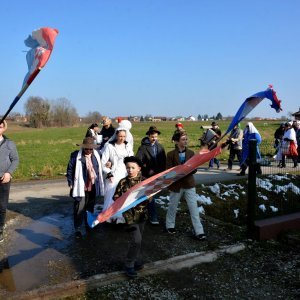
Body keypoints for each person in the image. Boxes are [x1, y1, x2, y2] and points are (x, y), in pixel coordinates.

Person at [165, 131, 206, 241]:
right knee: (172, 206)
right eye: (183, 139)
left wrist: (190, 169)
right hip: (176, 185)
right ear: (177, 141)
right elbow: (168, 170)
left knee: (193, 208)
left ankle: (199, 231)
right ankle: (170, 226)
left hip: (189, 184)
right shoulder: (170, 154)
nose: (185, 141)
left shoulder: (191, 153)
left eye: (186, 139)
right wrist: (178, 172)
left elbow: (195, 168)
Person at [113, 156, 147, 278]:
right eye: (128, 168)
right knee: (136, 240)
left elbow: (150, 197)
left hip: (142, 215)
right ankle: (129, 264)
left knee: (138, 240)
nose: (130, 170)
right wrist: (123, 201)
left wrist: (146, 198)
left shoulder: (144, 181)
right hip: (129, 217)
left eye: (133, 167)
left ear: (139, 168)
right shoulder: (123, 182)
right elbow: (116, 197)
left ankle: (134, 259)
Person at [66, 137, 104, 237]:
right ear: (83, 148)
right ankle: (77, 228)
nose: (88, 151)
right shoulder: (75, 156)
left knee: (90, 206)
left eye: (91, 149)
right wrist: (70, 182)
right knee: (79, 207)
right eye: (86, 149)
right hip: (80, 186)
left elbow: (101, 167)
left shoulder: (97, 155)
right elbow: (70, 170)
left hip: (92, 185)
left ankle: (89, 224)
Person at [101, 128, 134, 223]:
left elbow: (132, 160)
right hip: (114, 174)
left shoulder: (128, 146)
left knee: (123, 194)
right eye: (120, 136)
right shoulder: (110, 147)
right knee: (112, 194)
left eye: (124, 136)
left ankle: (121, 216)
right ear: (116, 135)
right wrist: (109, 173)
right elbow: (103, 163)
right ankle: (109, 215)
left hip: (125, 173)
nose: (122, 138)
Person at [136, 126, 166, 225]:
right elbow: (138, 161)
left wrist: (162, 173)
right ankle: (153, 217)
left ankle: (147, 213)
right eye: (152, 136)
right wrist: (147, 169)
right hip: (147, 176)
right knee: (150, 196)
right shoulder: (143, 148)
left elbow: (163, 162)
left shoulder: (160, 147)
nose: (154, 138)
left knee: (152, 196)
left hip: (158, 176)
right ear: (148, 136)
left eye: (156, 137)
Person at [0, 121, 19, 242]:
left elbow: (15, 160)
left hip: (4, 179)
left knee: (1, 205)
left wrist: (9, 173)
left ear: (3, 129)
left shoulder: (9, 143)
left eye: (0, 126)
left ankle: (0, 228)